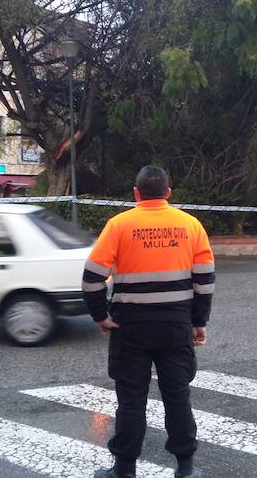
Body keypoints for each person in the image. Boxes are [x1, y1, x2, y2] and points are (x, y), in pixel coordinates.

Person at [83, 166, 215, 478]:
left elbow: (91, 280)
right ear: (169, 193)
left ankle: (125, 470)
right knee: (178, 398)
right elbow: (205, 281)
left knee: (130, 401)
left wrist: (101, 316)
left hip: (131, 328)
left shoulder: (119, 225)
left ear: (137, 193)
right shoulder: (191, 225)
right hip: (176, 326)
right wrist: (199, 321)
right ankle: (185, 469)